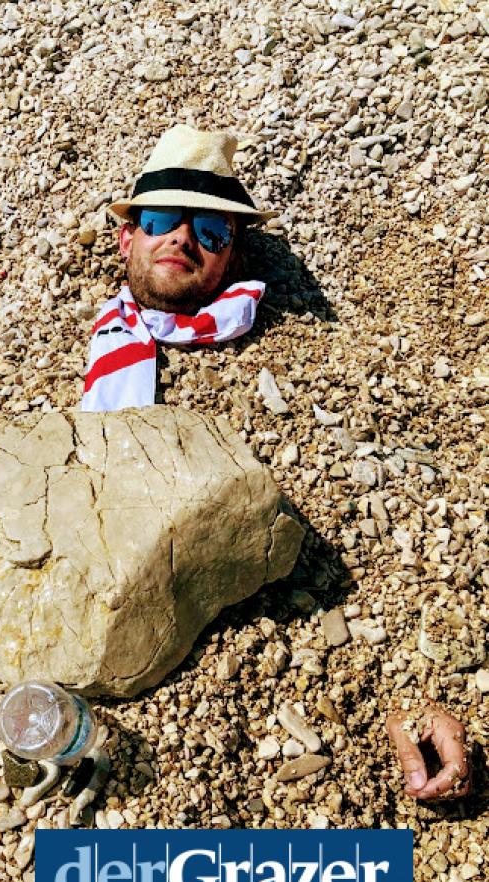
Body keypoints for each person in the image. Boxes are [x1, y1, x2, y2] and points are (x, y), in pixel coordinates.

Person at [81, 124, 471, 802]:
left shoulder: (312, 366)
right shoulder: (74, 362)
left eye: (210, 232)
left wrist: (419, 695)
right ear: (127, 238)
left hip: (299, 746)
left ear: (232, 257)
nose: (182, 240)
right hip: (122, 750)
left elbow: (401, 538)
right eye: (163, 221)